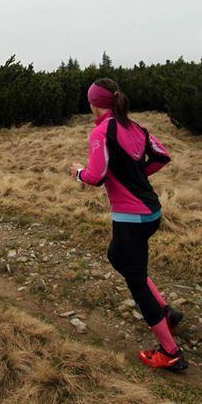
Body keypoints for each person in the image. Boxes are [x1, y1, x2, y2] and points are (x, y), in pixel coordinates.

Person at [69, 78, 187, 371]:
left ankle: (170, 352)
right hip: (151, 213)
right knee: (116, 257)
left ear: (95, 103)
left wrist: (78, 172)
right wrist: (137, 174)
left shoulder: (101, 131)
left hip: (130, 218)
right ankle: (166, 314)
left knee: (136, 282)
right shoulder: (137, 128)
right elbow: (162, 156)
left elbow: (96, 177)